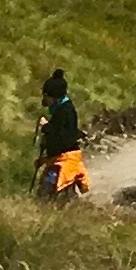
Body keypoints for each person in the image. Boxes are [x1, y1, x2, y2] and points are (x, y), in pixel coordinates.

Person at [35, 68, 88, 202]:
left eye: (46, 96)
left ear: (54, 96)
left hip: (65, 162)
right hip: (62, 159)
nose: (44, 100)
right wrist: (45, 159)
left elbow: (63, 140)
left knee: (46, 196)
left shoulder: (65, 112)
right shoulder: (63, 109)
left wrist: (46, 127)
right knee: (50, 195)